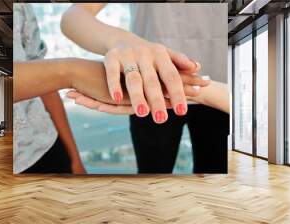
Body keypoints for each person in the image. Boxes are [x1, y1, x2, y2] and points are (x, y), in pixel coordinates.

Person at [61, 3, 229, 173]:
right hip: (148, 88)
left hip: (224, 87)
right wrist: (123, 42)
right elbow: (73, 16)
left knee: (216, 176)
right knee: (152, 177)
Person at [13, 4, 85, 174]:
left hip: (47, 146)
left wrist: (75, 160)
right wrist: (72, 72)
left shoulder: (20, 6)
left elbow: (45, 86)